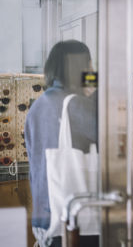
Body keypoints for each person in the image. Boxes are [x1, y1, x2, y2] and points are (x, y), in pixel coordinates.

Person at [25, 40, 98, 247]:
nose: (92, 71)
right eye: (90, 66)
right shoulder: (75, 104)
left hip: (44, 217)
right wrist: (94, 90)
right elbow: (127, 145)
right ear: (79, 68)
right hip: (73, 221)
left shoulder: (37, 106)